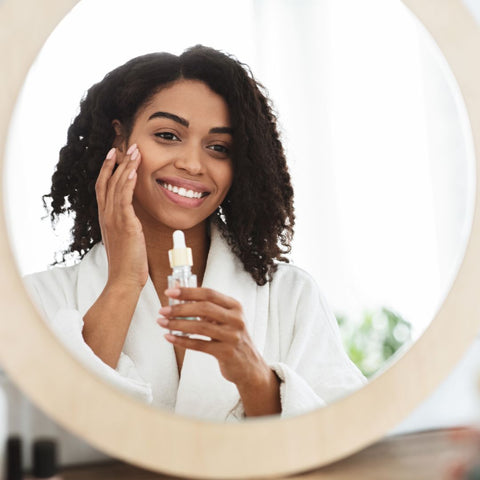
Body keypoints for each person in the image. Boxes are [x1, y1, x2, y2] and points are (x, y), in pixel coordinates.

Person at [24, 45, 366, 421]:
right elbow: (46, 433)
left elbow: (342, 438)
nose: (192, 163)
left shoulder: (290, 296)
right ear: (120, 141)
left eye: (218, 147)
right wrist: (123, 281)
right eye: (168, 135)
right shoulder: (37, 300)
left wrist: (255, 377)